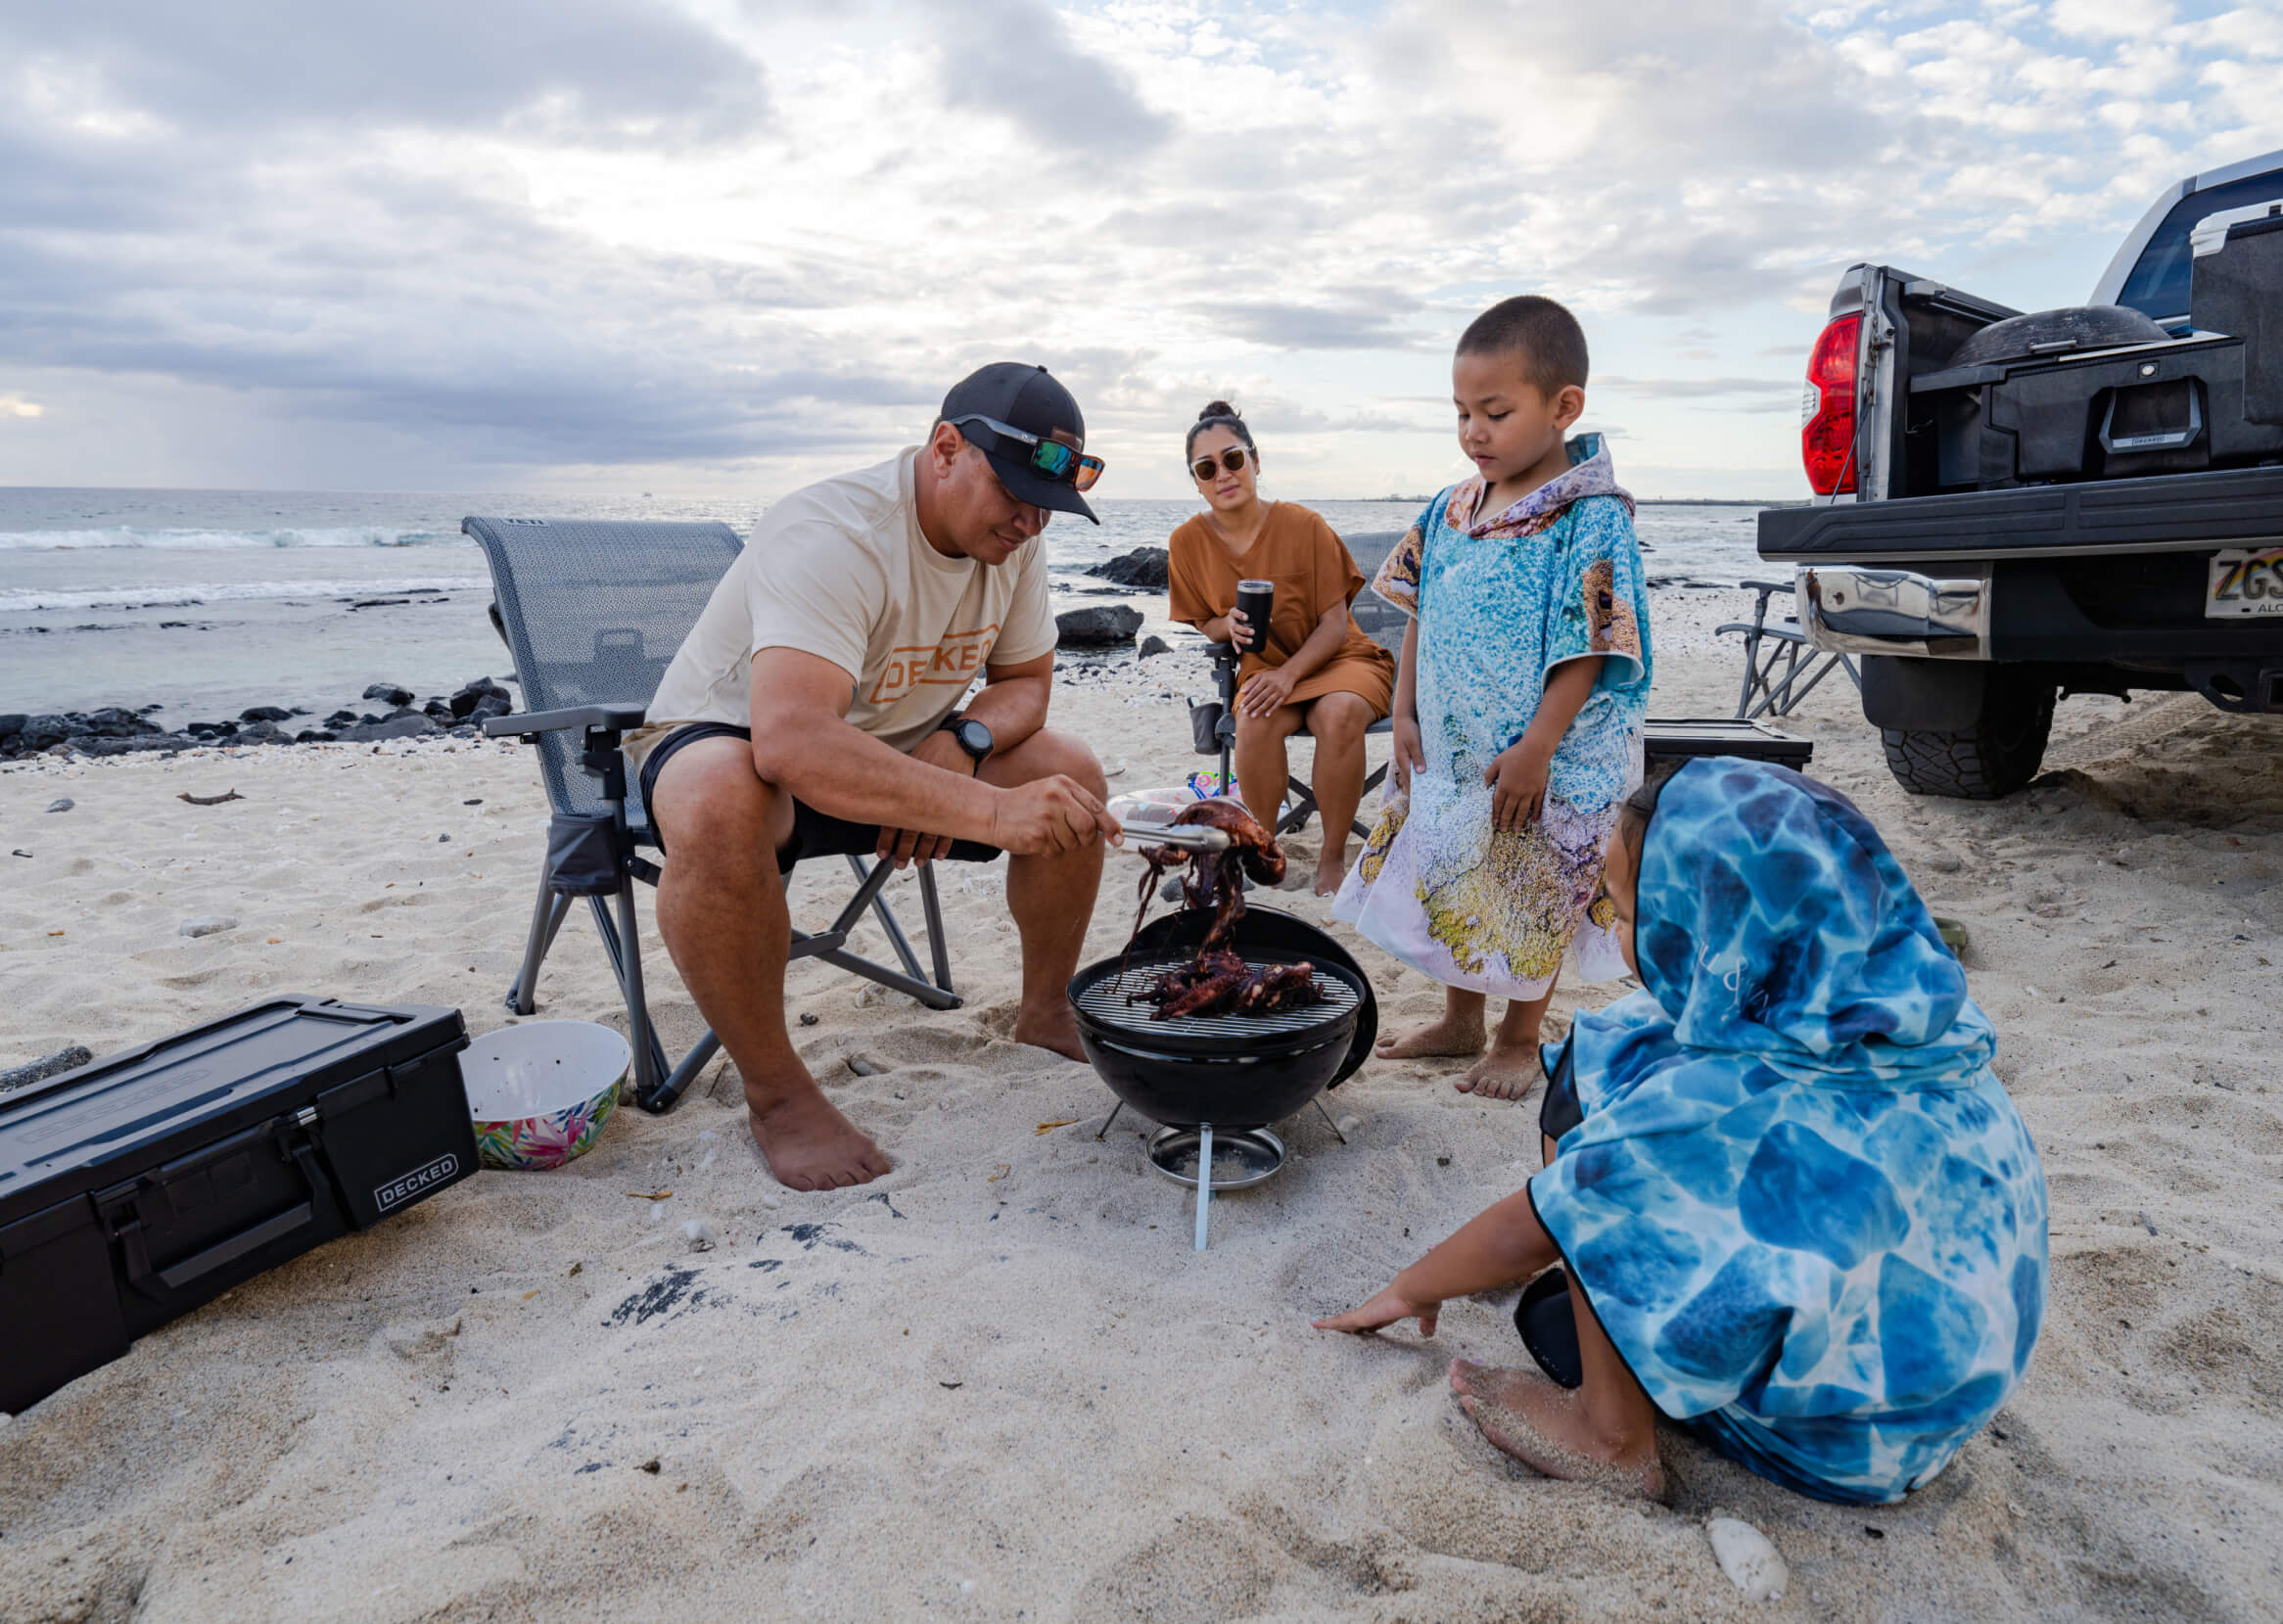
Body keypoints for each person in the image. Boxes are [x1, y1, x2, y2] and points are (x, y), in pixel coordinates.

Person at [1317, 758, 2050, 1506]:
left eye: (1630, 915)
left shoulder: (1720, 1102)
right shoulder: (1931, 1026)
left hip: (1832, 1445)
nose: (1618, 930)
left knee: (1581, 1150)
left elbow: (1547, 1219)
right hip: (1941, 1401)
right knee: (1629, 1037)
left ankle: (1609, 1437)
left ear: (1708, 930)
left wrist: (1409, 1288)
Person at [629, 363, 1121, 1192]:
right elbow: (789, 741)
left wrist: (963, 739)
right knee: (720, 799)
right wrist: (988, 811)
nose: (1031, 522)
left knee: (1069, 769)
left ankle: (1044, 1012)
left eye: (1048, 504)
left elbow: (1026, 684)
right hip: (736, 746)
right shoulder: (834, 530)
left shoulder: (1012, 541)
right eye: (1014, 491)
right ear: (944, 449)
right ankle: (779, 1095)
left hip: (902, 746)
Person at [1332, 296, 1651, 1099]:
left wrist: (1540, 744)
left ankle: (1517, 1037)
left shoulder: (1589, 515)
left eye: (1496, 412)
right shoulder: (1450, 508)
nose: (1475, 431)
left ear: (1563, 406)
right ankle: (1459, 1018)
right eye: (1463, 413)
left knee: (1528, 882)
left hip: (1547, 749)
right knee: (1458, 868)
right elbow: (1417, 612)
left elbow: (1591, 641)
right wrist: (1402, 709)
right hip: (1454, 737)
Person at [1166, 401, 1395, 896]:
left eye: (1232, 459)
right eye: (1206, 468)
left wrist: (1289, 675)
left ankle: (1332, 856)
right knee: (1253, 718)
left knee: (1337, 716)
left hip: (1340, 661)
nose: (1223, 474)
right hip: (1264, 670)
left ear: (1255, 460)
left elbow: (1336, 626)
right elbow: (1205, 621)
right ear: (1197, 481)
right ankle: (1262, 851)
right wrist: (1224, 623)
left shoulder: (1304, 526)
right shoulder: (1186, 543)